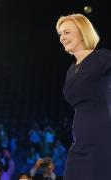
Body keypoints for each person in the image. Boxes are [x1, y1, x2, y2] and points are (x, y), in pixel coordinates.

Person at [56, 13, 111, 180]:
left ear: (82, 32)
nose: (62, 38)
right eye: (60, 34)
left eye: (67, 32)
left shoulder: (102, 58)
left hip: (103, 137)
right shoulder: (71, 70)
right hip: (80, 140)